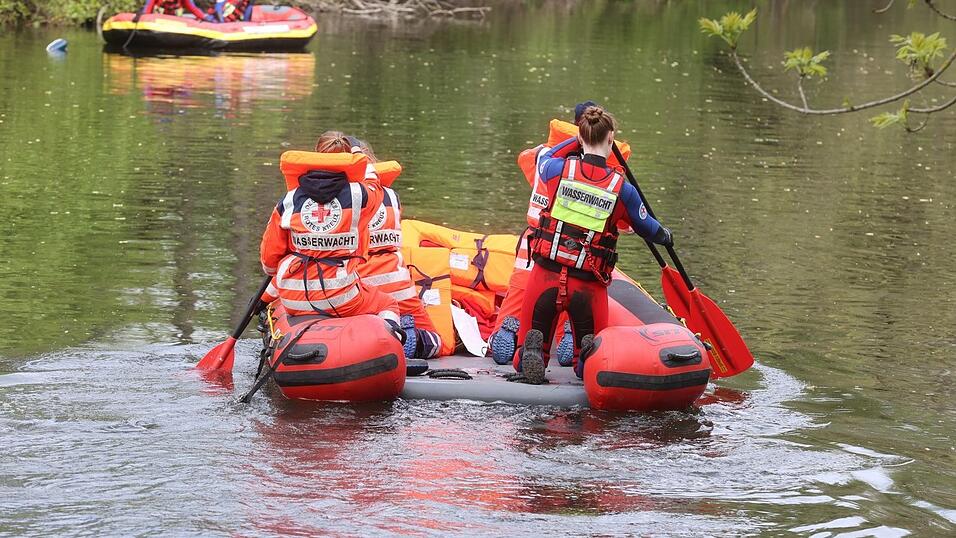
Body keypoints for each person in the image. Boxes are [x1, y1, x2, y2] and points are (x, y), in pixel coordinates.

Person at [513, 105, 673, 384]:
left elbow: (546, 156)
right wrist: (666, 236)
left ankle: (533, 353)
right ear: (611, 139)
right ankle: (584, 358)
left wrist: (576, 139)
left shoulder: (555, 170)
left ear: (582, 137)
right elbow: (648, 228)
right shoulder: (622, 190)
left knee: (524, 352)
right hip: (588, 285)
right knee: (593, 363)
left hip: (546, 276)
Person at [489, 101, 602, 366]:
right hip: (570, 252)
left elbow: (525, 158)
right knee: (565, 301)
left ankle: (508, 329)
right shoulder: (591, 170)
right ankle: (568, 336)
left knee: (524, 299)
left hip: (531, 248)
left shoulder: (543, 157)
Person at [259, 132, 402, 335]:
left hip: (292, 299)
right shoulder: (359, 196)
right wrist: (358, 152)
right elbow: (373, 182)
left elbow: (269, 260)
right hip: (339, 298)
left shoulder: (289, 199)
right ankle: (392, 341)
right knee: (388, 304)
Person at [353, 139, 444, 359]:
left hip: (358, 289)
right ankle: (413, 337)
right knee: (439, 343)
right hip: (399, 287)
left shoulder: (342, 200)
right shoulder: (392, 196)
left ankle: (381, 338)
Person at [141, 0, 214, 21]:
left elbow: (194, 10)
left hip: (176, 24)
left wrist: (206, 18)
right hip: (157, 23)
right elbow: (147, 10)